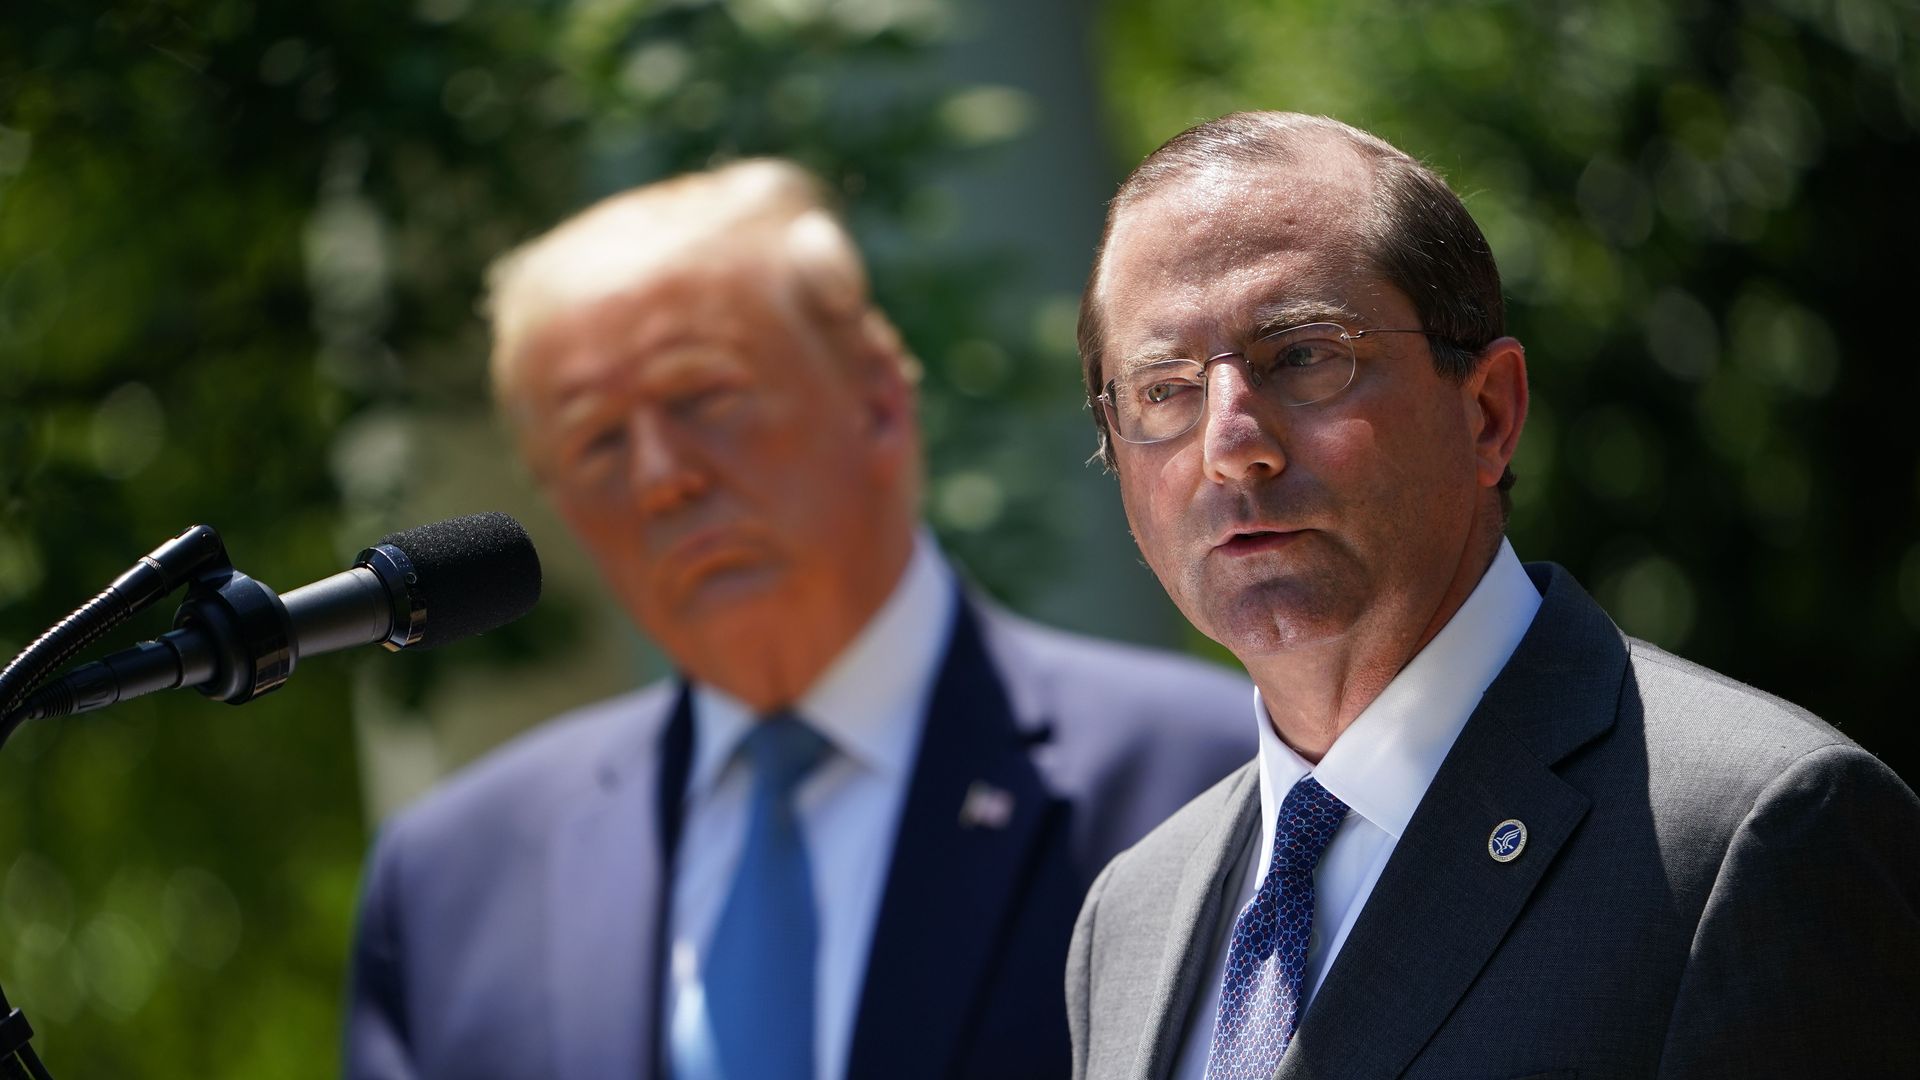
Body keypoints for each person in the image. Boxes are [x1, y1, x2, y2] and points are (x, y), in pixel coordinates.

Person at [343, 159, 1254, 1080]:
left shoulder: (1207, 782)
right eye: (597, 441)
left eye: (706, 399)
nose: (663, 476)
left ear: (879, 401)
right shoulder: (453, 884)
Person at [1064, 111, 1920, 1080]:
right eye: (1163, 389)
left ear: (1489, 413)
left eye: (1302, 355)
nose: (1231, 445)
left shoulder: (1753, 839)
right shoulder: (1130, 917)